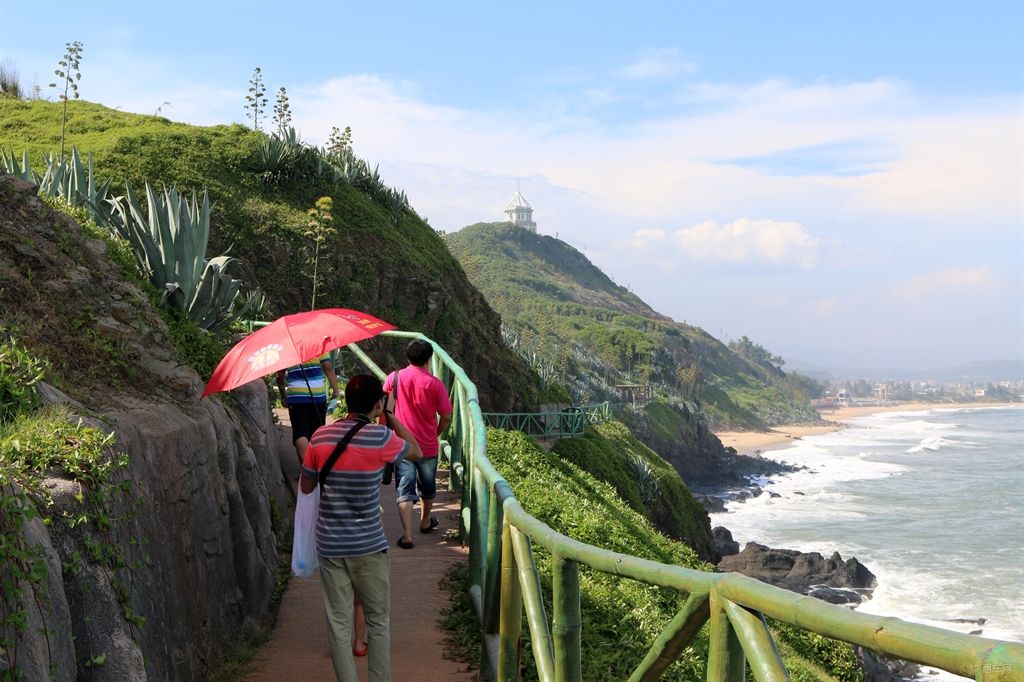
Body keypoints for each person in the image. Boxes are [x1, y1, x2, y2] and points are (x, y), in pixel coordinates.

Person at [299, 374, 422, 682]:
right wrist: (391, 416)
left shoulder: (320, 437)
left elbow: (306, 485)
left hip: (330, 545)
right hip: (368, 545)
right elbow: (417, 450)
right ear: (377, 405)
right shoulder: (380, 437)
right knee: (378, 620)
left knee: (338, 622)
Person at [383, 339, 453, 549]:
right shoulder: (435, 384)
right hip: (427, 446)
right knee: (428, 486)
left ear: (408, 357)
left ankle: (407, 535)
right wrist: (436, 433)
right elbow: (447, 416)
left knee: (404, 487)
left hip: (402, 444)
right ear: (429, 359)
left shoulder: (393, 378)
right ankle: (424, 522)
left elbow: (385, 408)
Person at [276, 354, 340, 464]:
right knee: (317, 433)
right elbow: (328, 366)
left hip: (296, 397)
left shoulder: (288, 347)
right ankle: (316, 465)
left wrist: (283, 395)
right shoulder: (316, 343)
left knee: (300, 433)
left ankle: (306, 469)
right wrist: (335, 389)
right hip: (318, 395)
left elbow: (280, 375)